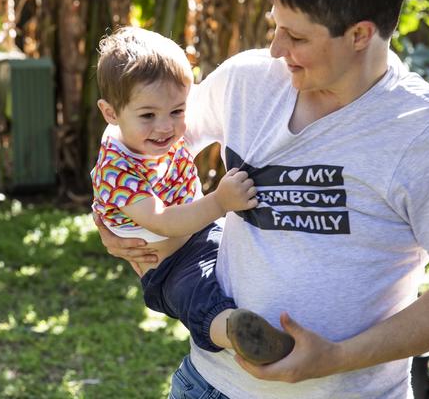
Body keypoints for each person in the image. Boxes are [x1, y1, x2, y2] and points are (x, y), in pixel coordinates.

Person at [96, 0, 429, 399]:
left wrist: (337, 358)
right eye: (276, 28)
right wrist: (114, 221)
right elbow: (136, 132)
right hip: (209, 384)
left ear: (359, 34)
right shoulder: (247, 80)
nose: (275, 49)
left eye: (297, 38)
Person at [91, 26, 296, 365]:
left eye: (177, 111)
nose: (165, 127)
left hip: (204, 235)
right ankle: (236, 332)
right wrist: (219, 202)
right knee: (196, 297)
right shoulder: (118, 168)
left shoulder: (152, 132)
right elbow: (162, 221)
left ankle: (271, 322)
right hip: (168, 265)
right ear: (111, 113)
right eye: (148, 116)